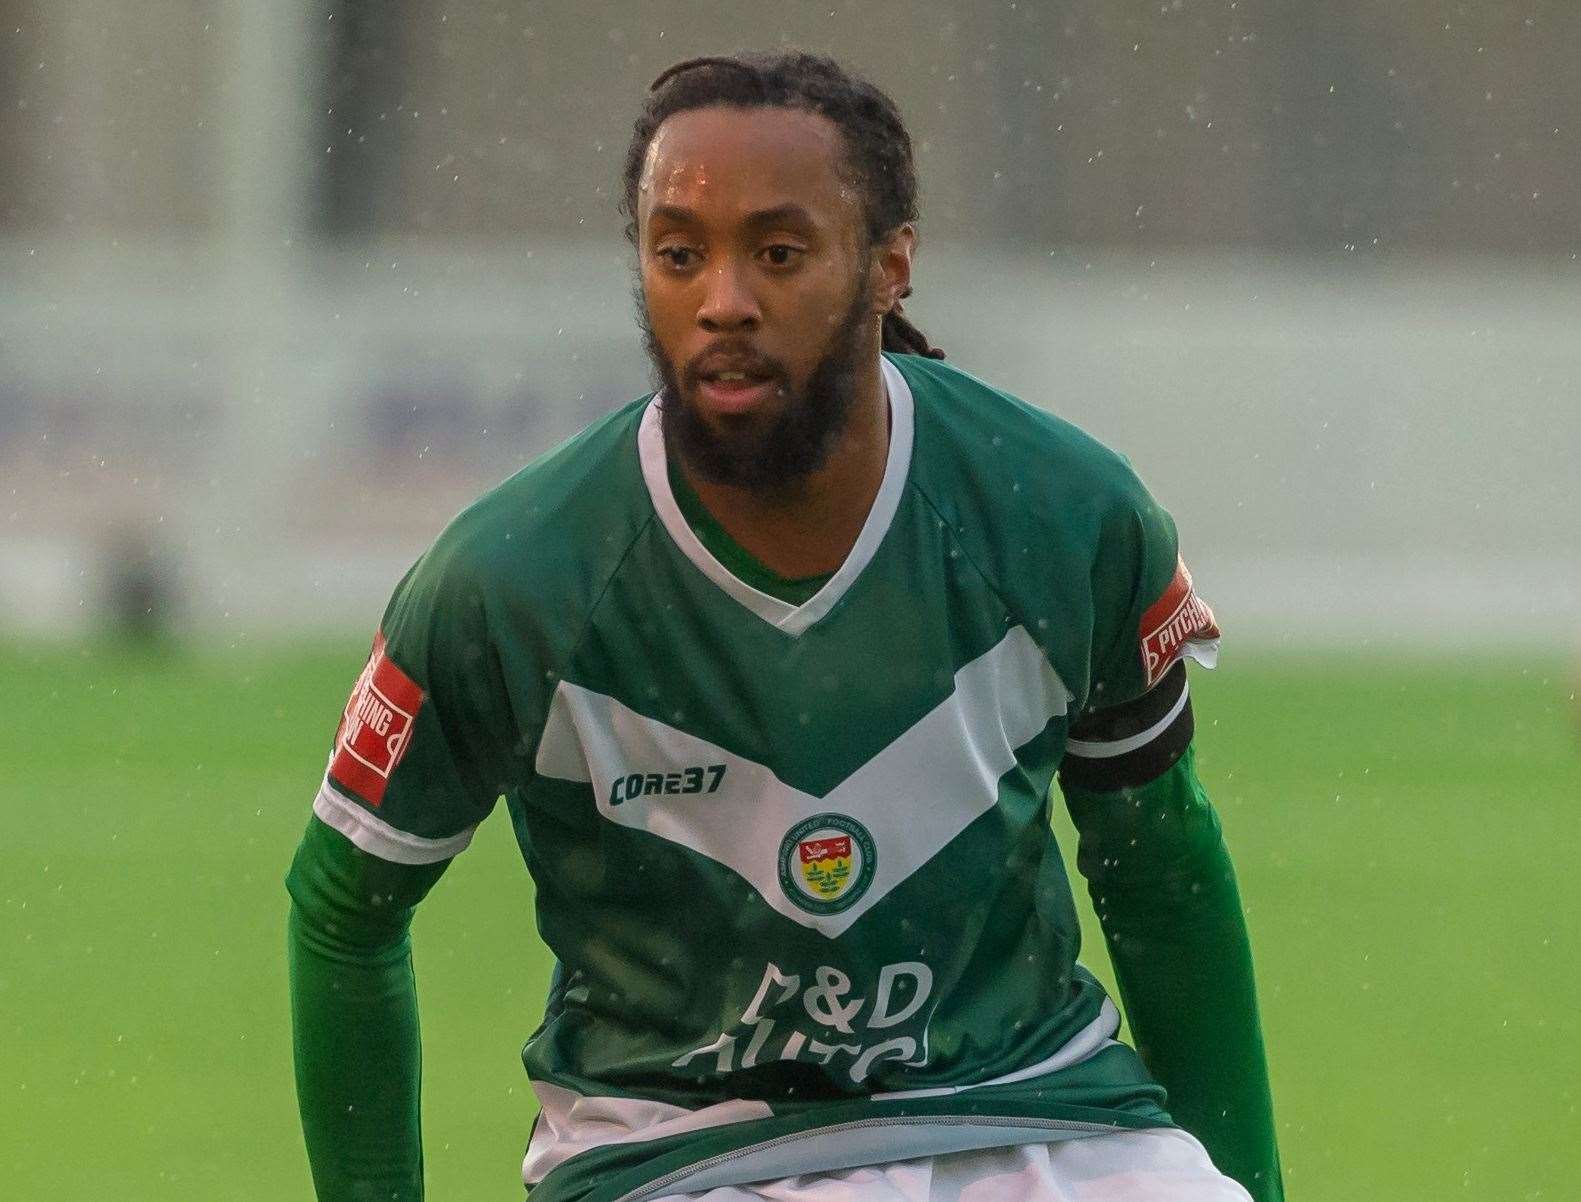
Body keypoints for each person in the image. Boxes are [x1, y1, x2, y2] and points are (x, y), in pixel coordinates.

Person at [287, 51, 1283, 1202]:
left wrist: (1246, 1183)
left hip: (1045, 1117)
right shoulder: (509, 582)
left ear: (888, 266)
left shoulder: (1064, 514)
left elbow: (1159, 869)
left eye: (777, 251)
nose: (721, 300)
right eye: (678, 253)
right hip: (678, 1155)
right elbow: (343, 912)